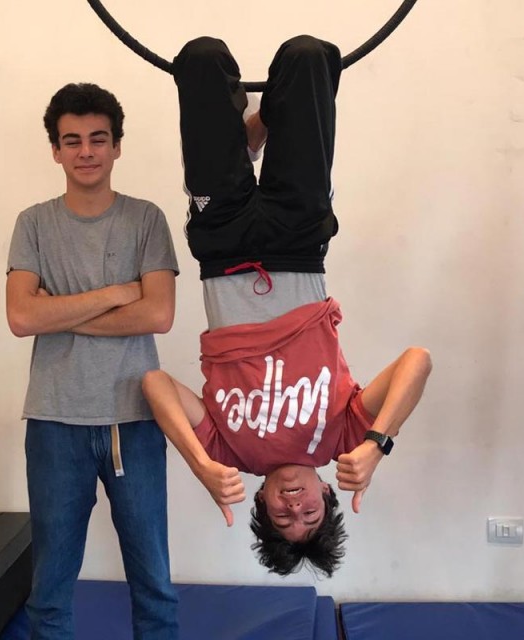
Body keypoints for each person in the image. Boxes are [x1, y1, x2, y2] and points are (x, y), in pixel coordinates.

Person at [141, 36, 432, 577]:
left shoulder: (229, 454)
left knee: (201, 58)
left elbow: (154, 384)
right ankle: (260, 127)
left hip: (222, 248)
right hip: (299, 243)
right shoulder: (344, 439)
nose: (294, 506)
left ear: (260, 503)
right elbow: (418, 361)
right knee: (307, 56)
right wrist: (377, 445)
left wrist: (201, 466)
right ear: (328, 493)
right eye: (309, 514)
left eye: (282, 518)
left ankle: (249, 135)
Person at [6, 82, 180, 639]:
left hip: (136, 418)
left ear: (117, 146)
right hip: (54, 422)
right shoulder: (33, 223)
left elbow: (158, 314)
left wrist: (57, 310)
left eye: (98, 139)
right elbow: (21, 318)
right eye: (73, 140)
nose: (86, 151)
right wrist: (114, 294)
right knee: (50, 590)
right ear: (55, 151)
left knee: (154, 584)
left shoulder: (146, 219)